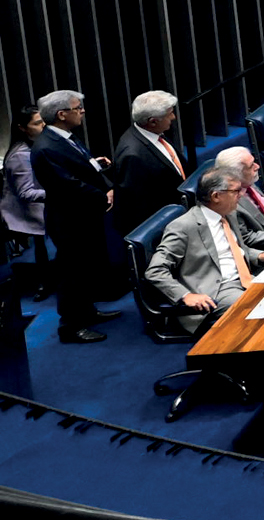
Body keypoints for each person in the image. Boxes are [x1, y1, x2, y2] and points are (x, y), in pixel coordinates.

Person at [142, 160, 264, 336]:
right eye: (235, 191)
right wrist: (186, 295)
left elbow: (235, 250)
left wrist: (260, 255)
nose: (241, 195)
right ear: (216, 196)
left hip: (245, 277)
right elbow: (155, 271)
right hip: (216, 289)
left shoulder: (228, 214)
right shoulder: (183, 227)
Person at [29, 90, 121, 343]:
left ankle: (87, 312)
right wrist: (103, 196)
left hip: (83, 215)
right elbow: (67, 184)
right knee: (72, 272)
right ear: (62, 114)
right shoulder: (46, 147)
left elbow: (83, 166)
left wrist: (101, 176)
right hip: (68, 220)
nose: (81, 111)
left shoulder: (66, 137)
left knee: (86, 267)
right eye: (76, 107)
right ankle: (70, 327)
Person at [109, 90, 194, 233]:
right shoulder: (132, 155)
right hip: (166, 227)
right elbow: (137, 206)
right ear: (153, 121)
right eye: (169, 114)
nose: (173, 117)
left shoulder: (154, 134)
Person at [4, 104, 49, 301]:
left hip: (41, 204)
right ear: (22, 128)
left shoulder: (37, 145)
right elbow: (27, 193)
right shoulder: (20, 156)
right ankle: (45, 281)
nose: (44, 126)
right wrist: (60, 192)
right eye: (37, 123)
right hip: (26, 211)